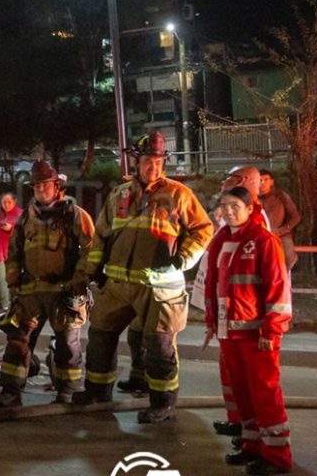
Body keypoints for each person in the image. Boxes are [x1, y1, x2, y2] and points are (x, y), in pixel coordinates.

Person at [71, 132, 213, 424]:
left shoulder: (178, 194)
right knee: (99, 335)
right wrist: (89, 272)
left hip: (158, 288)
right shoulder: (119, 194)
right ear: (136, 161)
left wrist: (184, 258)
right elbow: (101, 236)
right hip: (118, 285)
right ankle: (98, 392)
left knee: (159, 345)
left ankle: (162, 403)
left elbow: (203, 229)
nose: (154, 167)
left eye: (159, 161)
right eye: (148, 160)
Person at [205, 187, 294, 475]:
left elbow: (277, 289)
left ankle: (277, 457)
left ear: (249, 207)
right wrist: (212, 323)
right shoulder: (222, 240)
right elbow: (214, 286)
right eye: (225, 205)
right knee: (242, 396)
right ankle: (252, 447)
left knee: (265, 396)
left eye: (235, 206)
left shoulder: (263, 241)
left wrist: (272, 330)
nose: (229, 211)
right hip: (230, 333)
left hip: (257, 337)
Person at [0, 162, 94, 407]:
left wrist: (79, 280)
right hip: (31, 291)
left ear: (56, 186)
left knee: (67, 344)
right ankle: (11, 391)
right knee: (18, 340)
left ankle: (66, 391)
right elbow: (13, 252)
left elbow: (92, 248)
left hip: (65, 291)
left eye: (45, 184)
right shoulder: (26, 217)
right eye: (36, 185)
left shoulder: (75, 214)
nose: (40, 189)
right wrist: (13, 281)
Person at [259, 170, 301, 271]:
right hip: (259, 235)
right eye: (260, 180)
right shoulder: (252, 198)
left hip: (281, 234)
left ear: (272, 182)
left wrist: (282, 229)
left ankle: (281, 278)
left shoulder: (281, 196)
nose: (263, 183)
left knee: (288, 257)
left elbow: (296, 217)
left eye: (266, 179)